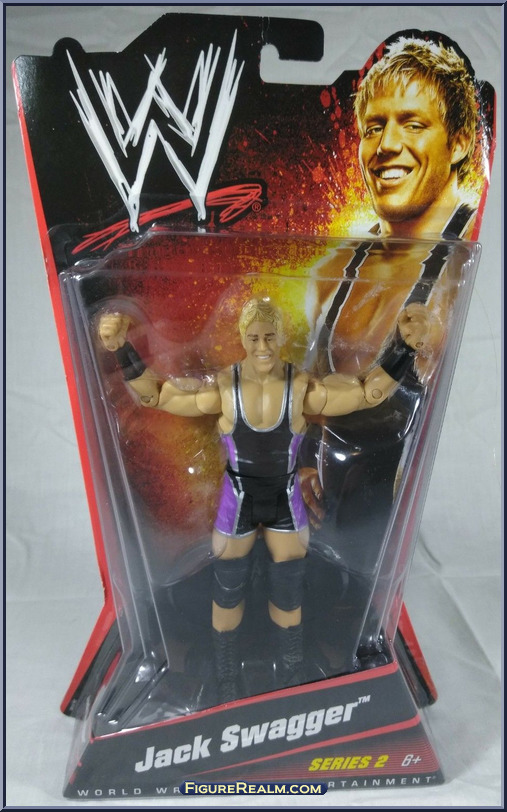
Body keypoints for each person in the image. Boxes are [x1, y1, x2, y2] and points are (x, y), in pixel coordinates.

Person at [98, 296, 430, 702]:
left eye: (270, 337)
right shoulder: (225, 387)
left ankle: (291, 676)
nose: (262, 347)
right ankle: (225, 680)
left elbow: (367, 393)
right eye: (254, 338)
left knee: (288, 591)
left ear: (281, 337)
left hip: (284, 498)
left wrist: (403, 347)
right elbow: (158, 396)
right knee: (227, 589)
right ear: (242, 338)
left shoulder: (300, 386)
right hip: (237, 499)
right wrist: (122, 349)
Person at [300, 36, 480, 668]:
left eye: (413, 123)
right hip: (327, 523)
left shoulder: (464, 271)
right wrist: (302, 463)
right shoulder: (336, 268)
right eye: (375, 127)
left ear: (460, 141)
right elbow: (308, 385)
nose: (388, 145)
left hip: (399, 542)